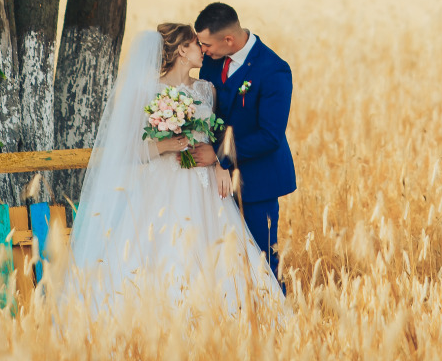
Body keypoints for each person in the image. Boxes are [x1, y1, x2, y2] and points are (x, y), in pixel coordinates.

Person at [64, 23, 283, 315]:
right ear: (182, 50)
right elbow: (129, 151)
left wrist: (220, 164)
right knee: (164, 250)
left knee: (217, 251)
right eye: (196, 45)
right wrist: (166, 146)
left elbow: (218, 137)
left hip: (205, 186)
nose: (203, 52)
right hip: (163, 185)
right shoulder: (148, 91)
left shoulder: (206, 89)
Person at [195, 1, 295, 284]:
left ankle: (274, 318)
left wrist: (218, 157)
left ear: (228, 39)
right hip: (211, 180)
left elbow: (270, 135)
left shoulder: (274, 70)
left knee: (260, 256)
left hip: (257, 180)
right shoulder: (212, 63)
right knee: (218, 255)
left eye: (206, 45)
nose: (203, 51)